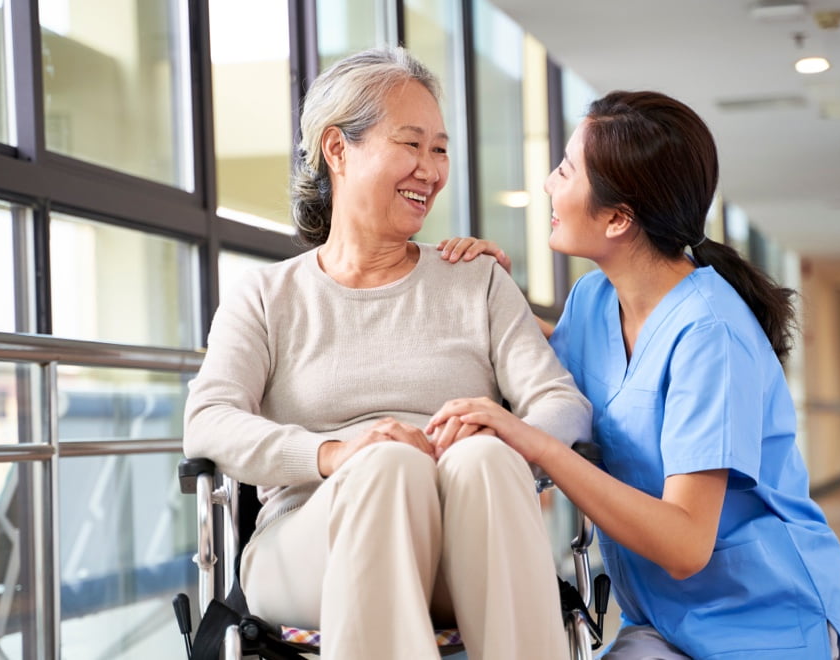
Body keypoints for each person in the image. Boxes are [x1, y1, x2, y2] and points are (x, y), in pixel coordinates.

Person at [183, 47, 591, 660]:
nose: (430, 169)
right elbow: (207, 421)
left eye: (441, 149)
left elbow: (565, 406)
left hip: (465, 547)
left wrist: (505, 431)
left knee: (482, 455)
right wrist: (335, 453)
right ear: (337, 149)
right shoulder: (266, 296)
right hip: (310, 548)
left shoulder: (476, 280)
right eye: (411, 144)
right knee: (387, 466)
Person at [428, 90, 840, 659]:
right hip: (667, 622)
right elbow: (548, 369)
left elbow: (685, 542)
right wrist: (489, 293)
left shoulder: (710, 334)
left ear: (617, 219)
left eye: (565, 170)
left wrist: (534, 442)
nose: (548, 184)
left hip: (766, 626)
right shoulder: (592, 301)